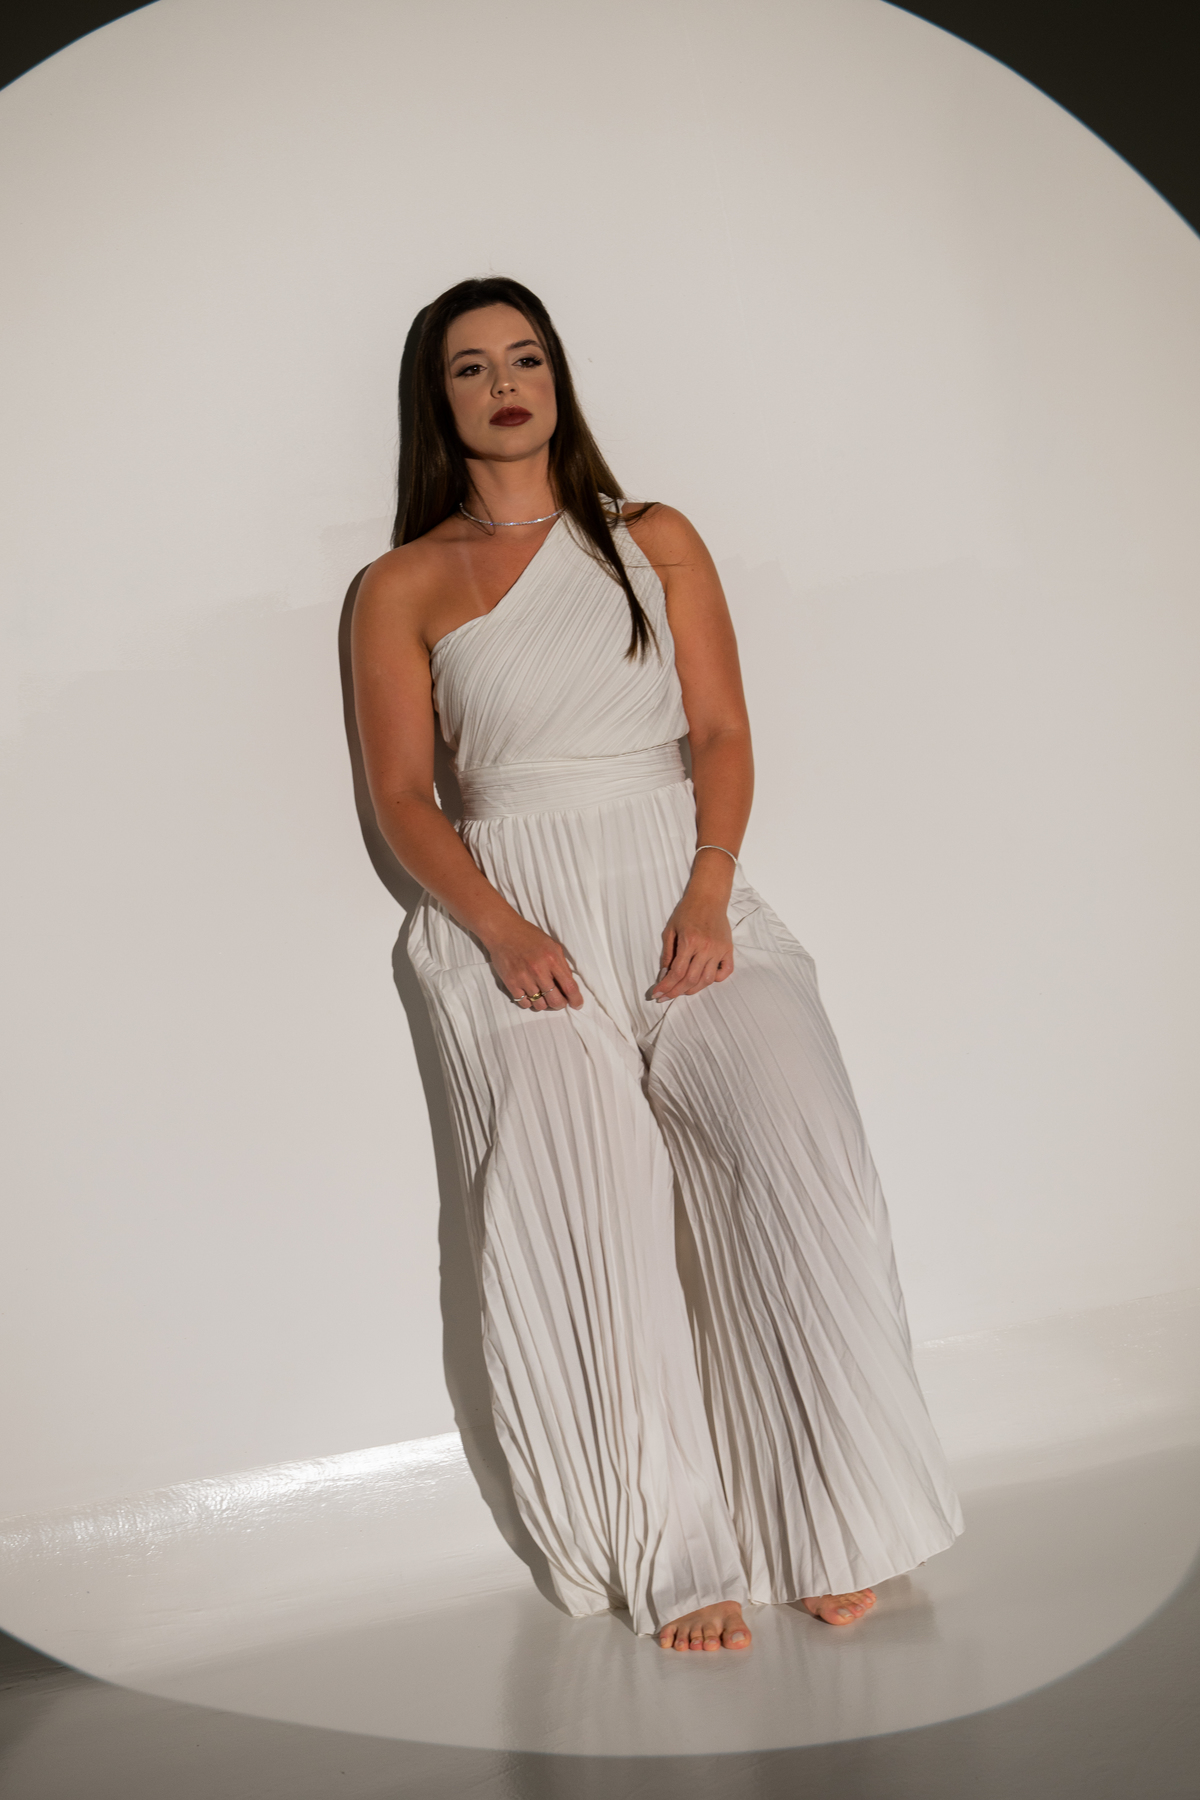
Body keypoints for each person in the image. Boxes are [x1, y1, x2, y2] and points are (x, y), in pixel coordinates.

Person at [350, 276, 962, 1653]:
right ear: (436, 401)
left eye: (525, 357)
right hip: (513, 926)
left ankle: (831, 1519)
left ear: (558, 376)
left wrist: (710, 889)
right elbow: (400, 796)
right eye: (469, 367)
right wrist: (503, 929)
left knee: (798, 1158)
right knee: (591, 1219)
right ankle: (676, 1552)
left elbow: (722, 733)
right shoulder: (402, 585)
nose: (504, 385)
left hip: (685, 899)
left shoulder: (652, 537)